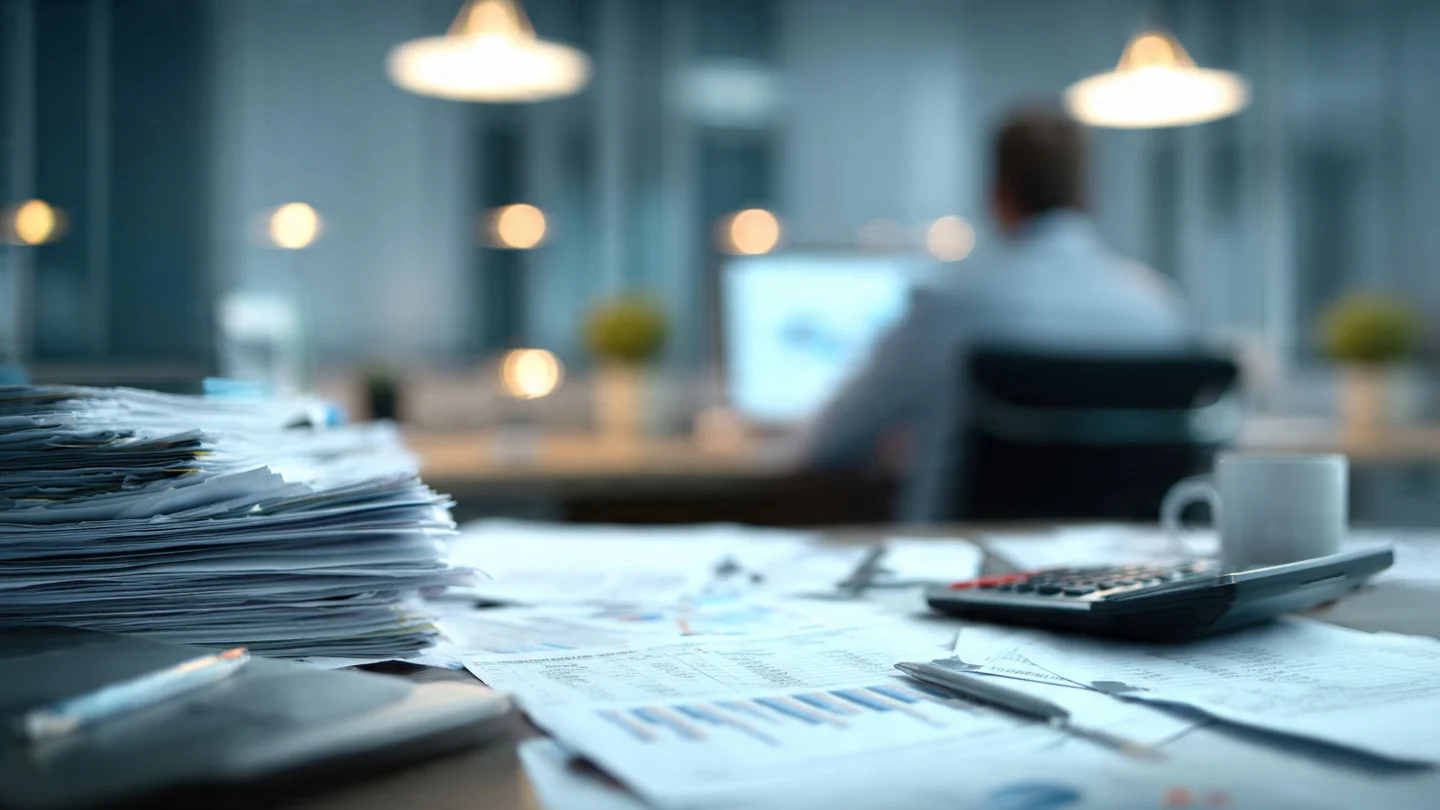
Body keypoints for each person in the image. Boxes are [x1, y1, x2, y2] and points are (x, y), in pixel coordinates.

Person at [803, 105, 1192, 522]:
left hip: (964, 567)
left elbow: (830, 445)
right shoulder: (1157, 307)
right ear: (1086, 196)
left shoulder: (950, 303)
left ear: (998, 196)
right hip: (1116, 574)